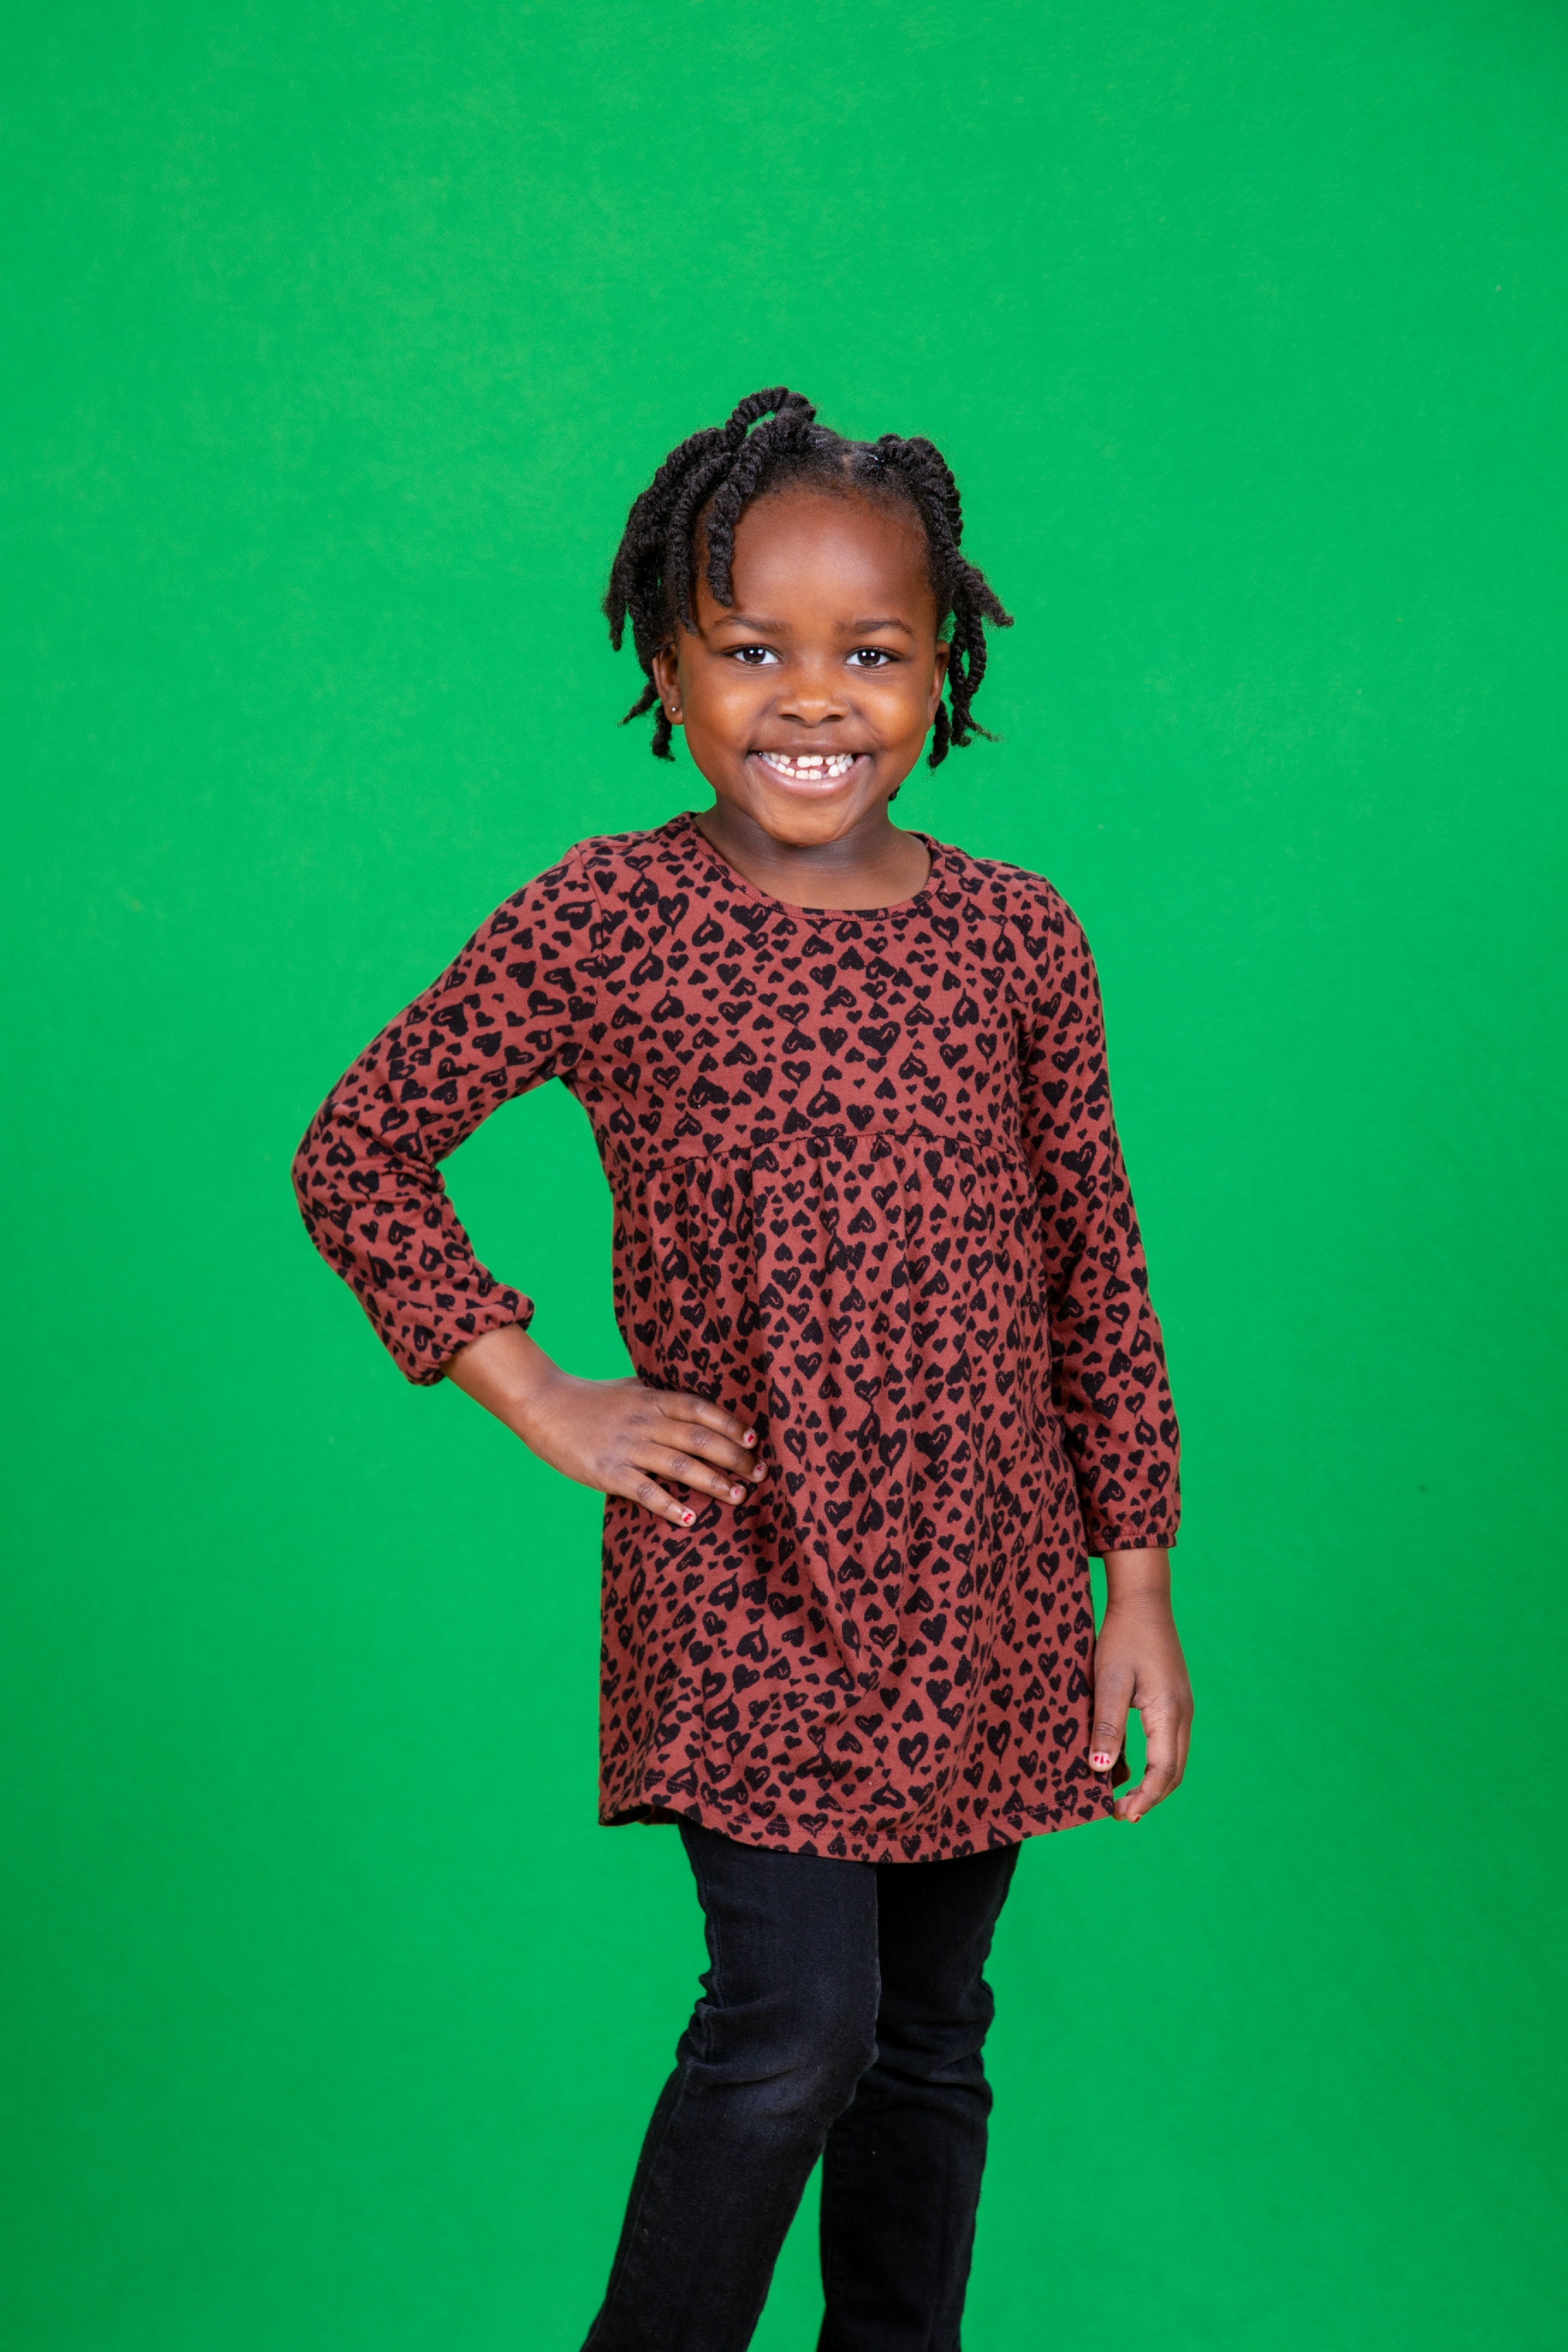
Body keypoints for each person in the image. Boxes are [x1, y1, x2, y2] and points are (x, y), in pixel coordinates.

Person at [293, 387, 1193, 2351]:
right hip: (748, 1575)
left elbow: (1096, 1269)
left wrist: (1134, 1584)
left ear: (942, 667)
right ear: (667, 667)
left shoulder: (1019, 937)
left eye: (872, 652)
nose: (814, 700)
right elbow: (358, 1151)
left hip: (987, 1579)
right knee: (797, 2027)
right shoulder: (609, 915)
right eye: (752, 649)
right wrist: (538, 1389)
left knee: (929, 2040)